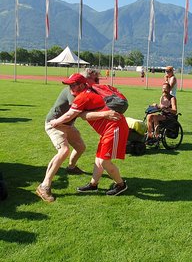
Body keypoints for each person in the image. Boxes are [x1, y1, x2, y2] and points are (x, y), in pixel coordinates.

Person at [36, 73, 128, 202]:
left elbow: (74, 114)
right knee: (65, 151)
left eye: (73, 85)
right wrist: (105, 114)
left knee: (95, 156)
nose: (70, 88)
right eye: (69, 85)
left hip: (111, 128)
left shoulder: (86, 95)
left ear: (82, 84)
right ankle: (45, 185)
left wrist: (103, 114)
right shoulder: (81, 93)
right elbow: (78, 114)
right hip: (57, 123)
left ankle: (118, 184)